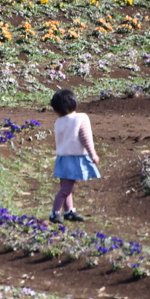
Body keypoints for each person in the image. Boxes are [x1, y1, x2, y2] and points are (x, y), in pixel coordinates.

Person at [49, 88, 100, 223]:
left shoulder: (59, 121)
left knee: (66, 187)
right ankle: (55, 213)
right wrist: (93, 154)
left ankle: (69, 211)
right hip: (74, 158)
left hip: (62, 158)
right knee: (66, 189)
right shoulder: (81, 118)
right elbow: (85, 138)